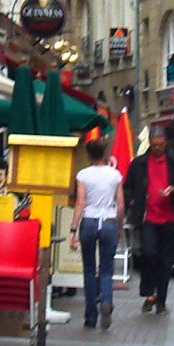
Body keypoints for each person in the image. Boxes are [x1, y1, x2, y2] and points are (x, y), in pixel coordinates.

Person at [122, 124, 174, 314]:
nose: (157, 148)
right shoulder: (139, 163)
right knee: (148, 254)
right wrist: (134, 200)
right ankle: (148, 293)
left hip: (169, 218)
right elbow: (127, 187)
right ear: (150, 144)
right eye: (154, 145)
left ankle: (161, 299)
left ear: (165, 143)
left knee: (165, 260)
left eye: (160, 145)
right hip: (148, 217)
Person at [72, 135, 124, 330]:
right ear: (105, 153)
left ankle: (90, 316)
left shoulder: (83, 175)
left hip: (89, 221)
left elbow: (80, 203)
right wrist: (119, 227)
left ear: (88, 154)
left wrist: (72, 230)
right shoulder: (115, 175)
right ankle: (106, 301)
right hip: (109, 221)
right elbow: (120, 205)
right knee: (106, 269)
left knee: (88, 269)